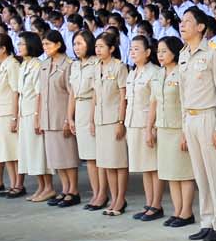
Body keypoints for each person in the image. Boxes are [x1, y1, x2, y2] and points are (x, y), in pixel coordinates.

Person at [179, 9, 216, 241]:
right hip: (190, 118)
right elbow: (183, 94)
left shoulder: (213, 52)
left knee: (215, 174)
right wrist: (183, 126)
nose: (182, 25)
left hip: (209, 117)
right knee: (200, 175)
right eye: (181, 21)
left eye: (188, 22)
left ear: (200, 27)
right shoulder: (183, 54)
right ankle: (206, 221)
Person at [153, 35, 196, 228]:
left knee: (184, 173)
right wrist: (151, 127)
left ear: (175, 52)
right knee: (170, 172)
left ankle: (187, 212)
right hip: (163, 128)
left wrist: (186, 133)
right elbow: (154, 102)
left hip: (179, 128)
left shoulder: (182, 73)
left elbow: (187, 105)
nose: (160, 55)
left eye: (164, 51)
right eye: (158, 52)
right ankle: (177, 211)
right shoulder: (159, 74)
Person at [38, 30, 79, 206]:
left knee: (68, 156)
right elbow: (42, 93)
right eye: (43, 44)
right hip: (48, 117)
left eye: (48, 44)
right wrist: (39, 118)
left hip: (61, 116)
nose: (45, 47)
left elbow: (71, 93)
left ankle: (73, 190)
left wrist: (68, 119)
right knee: (56, 158)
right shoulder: (45, 64)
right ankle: (65, 188)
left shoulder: (68, 64)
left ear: (58, 44)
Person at [91, 31, 129, 216]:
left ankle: (120, 198)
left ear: (111, 48)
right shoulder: (96, 66)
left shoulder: (119, 67)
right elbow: (94, 96)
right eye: (96, 47)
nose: (98, 50)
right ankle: (113, 198)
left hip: (114, 119)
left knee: (118, 162)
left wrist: (121, 121)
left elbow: (123, 97)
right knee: (106, 163)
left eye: (101, 47)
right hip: (100, 120)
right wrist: (91, 120)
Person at [126, 35, 161, 220]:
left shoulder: (154, 72)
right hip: (133, 124)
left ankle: (156, 205)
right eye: (131, 49)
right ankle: (149, 203)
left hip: (147, 125)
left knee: (153, 167)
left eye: (137, 49)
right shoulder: (132, 73)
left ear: (147, 52)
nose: (132, 52)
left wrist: (150, 128)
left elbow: (155, 103)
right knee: (144, 167)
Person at [67, 29, 102, 207]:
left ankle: (102, 194)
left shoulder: (96, 63)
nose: (76, 47)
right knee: (88, 157)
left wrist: (92, 119)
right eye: (74, 44)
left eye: (80, 43)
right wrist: (69, 117)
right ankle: (96, 193)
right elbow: (72, 93)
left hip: (91, 107)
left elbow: (96, 92)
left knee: (97, 156)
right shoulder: (74, 65)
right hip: (79, 109)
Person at [15, 30, 50, 203]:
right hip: (24, 113)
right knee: (30, 152)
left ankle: (48, 187)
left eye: (22, 43)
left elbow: (39, 94)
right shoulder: (24, 65)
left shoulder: (37, 65)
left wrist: (37, 117)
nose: (19, 46)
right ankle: (41, 186)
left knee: (38, 152)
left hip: (33, 113)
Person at [0, 32, 23, 198]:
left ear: (3, 49)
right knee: (5, 151)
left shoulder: (12, 64)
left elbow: (16, 92)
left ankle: (18, 184)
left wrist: (14, 117)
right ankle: (12, 183)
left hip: (8, 112)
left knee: (14, 151)